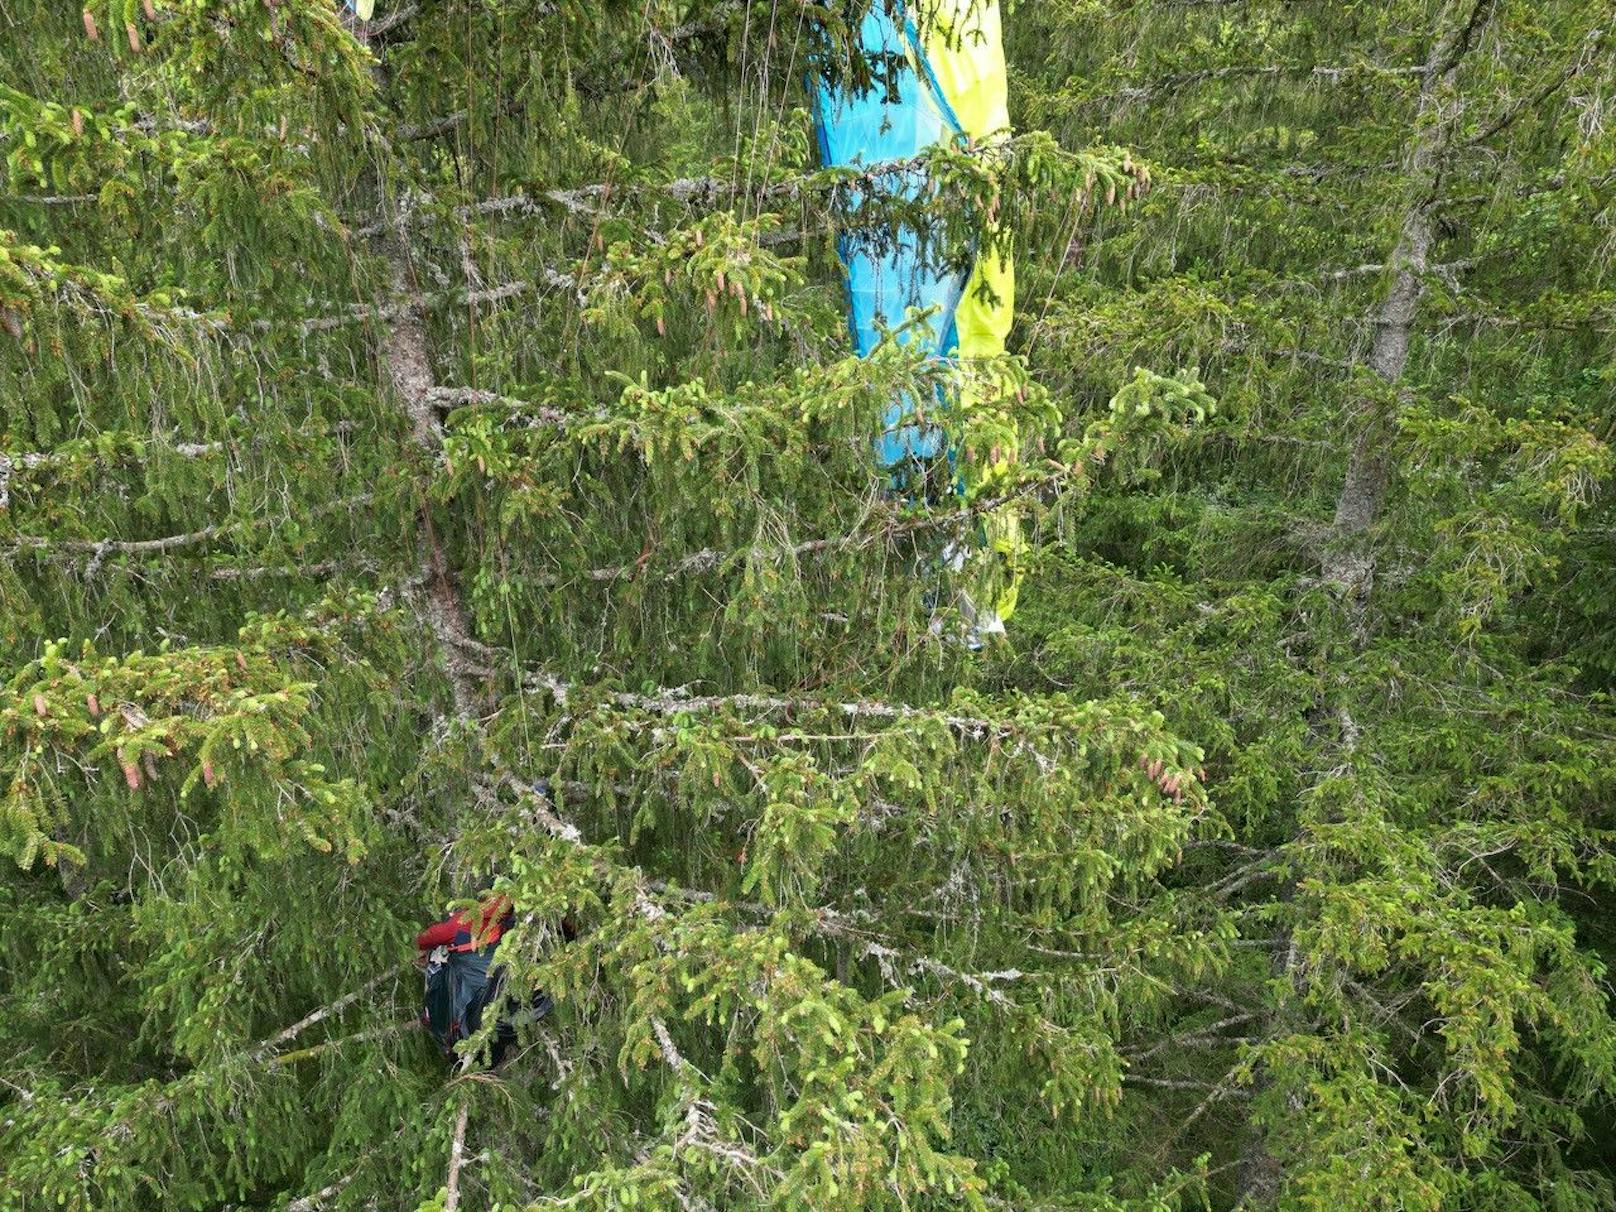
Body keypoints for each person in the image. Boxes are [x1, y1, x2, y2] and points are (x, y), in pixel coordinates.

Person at [416, 891, 554, 1068]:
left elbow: (424, 939)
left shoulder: (463, 921)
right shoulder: (508, 920)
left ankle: (461, 1046)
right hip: (498, 986)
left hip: (475, 997)